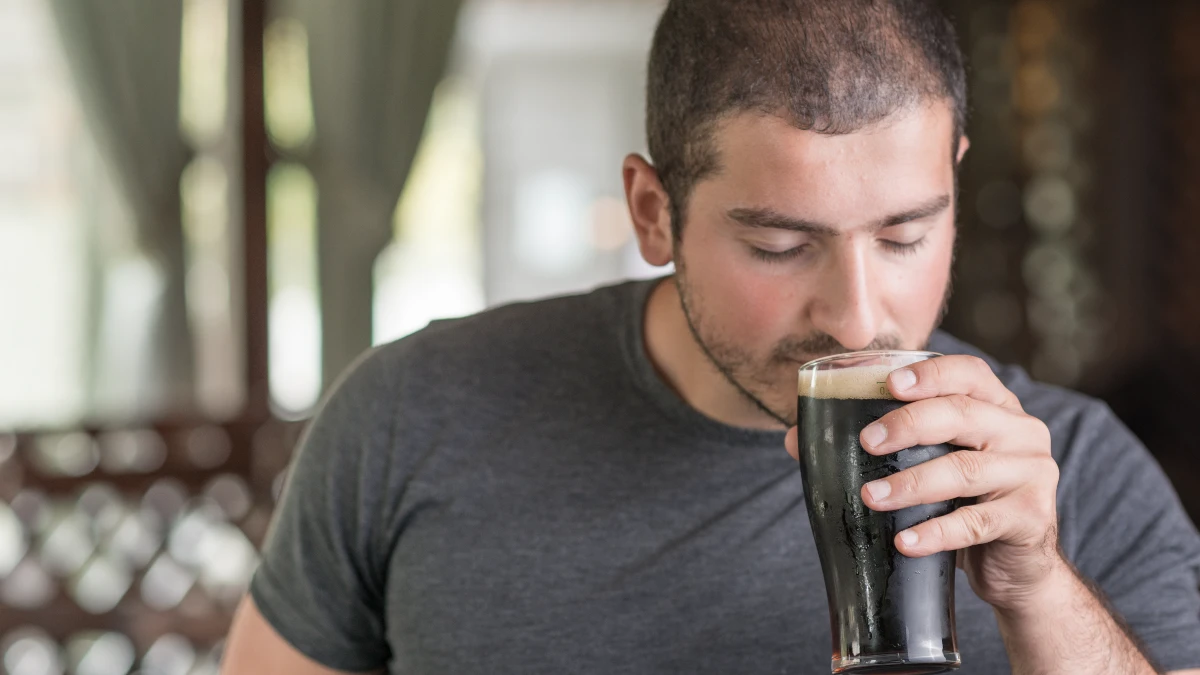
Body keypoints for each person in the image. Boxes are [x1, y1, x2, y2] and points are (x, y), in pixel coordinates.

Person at [221, 1, 1200, 673]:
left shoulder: (1073, 473)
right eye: (781, 244)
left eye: (906, 234)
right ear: (653, 211)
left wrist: (1036, 590)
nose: (859, 316)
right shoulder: (411, 414)